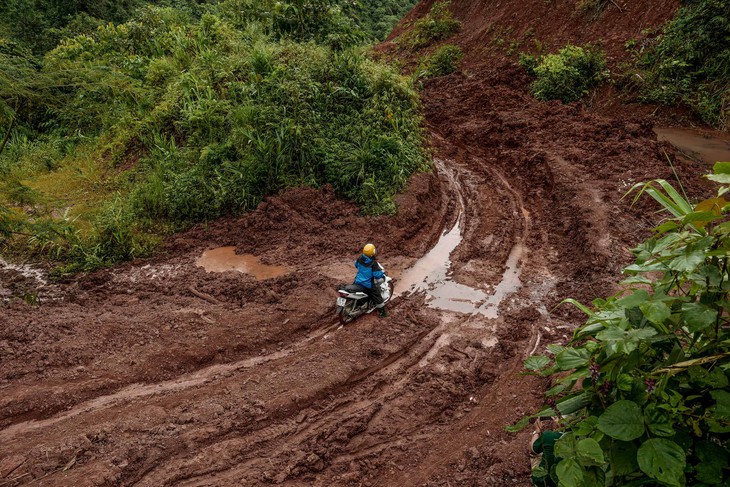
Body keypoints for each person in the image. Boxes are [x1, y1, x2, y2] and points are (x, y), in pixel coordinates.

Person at [352, 243, 387, 318]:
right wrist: (382, 273)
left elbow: (355, 264)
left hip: (357, 281)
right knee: (378, 297)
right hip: (367, 285)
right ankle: (383, 313)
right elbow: (377, 275)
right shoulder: (373, 263)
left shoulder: (360, 258)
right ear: (373, 253)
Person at [529, 418, 563, 487]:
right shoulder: (575, 437)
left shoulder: (548, 435)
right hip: (564, 481)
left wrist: (537, 431)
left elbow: (532, 449)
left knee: (536, 453)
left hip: (544, 480)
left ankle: (535, 477)